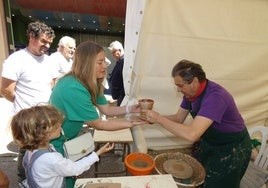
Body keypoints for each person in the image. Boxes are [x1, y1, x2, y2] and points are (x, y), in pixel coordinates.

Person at [142, 59, 251, 188]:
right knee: (203, 178)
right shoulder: (191, 94)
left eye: (180, 85)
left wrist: (159, 118)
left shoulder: (215, 97)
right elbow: (178, 118)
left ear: (194, 82)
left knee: (220, 184)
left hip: (232, 147)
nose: (178, 90)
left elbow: (192, 134)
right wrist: (153, 119)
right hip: (211, 142)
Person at [49, 40, 144, 188]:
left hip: (67, 140)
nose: (105, 65)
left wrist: (130, 109)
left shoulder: (90, 81)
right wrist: (133, 122)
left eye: (104, 62)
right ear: (87, 64)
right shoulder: (73, 87)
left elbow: (106, 109)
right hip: (54, 145)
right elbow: (99, 124)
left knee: (70, 178)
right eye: (100, 62)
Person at [0, 21, 56, 185]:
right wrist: (27, 110)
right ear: (32, 36)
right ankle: (23, 182)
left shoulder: (49, 61)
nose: (46, 46)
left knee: (44, 153)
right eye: (43, 42)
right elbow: (6, 90)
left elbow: (51, 84)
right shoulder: (16, 60)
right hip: (26, 119)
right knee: (26, 154)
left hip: (46, 117)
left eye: (49, 43)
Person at [10, 105, 114, 188]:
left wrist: (66, 171)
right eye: (57, 126)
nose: (61, 127)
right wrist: (98, 153)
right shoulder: (51, 159)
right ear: (44, 133)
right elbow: (75, 169)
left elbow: (49, 171)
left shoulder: (31, 150)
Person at [108, 40, 125, 106]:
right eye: (111, 53)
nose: (112, 55)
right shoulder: (120, 61)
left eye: (113, 52)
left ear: (119, 50)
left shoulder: (123, 62)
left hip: (122, 96)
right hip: (119, 96)